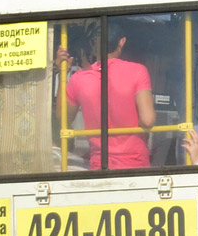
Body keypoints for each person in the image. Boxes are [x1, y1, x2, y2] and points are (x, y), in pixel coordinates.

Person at [58, 21, 155, 169]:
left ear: (94, 45)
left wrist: (62, 72)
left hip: (100, 165)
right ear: (122, 42)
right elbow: (147, 121)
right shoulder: (138, 71)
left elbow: (63, 118)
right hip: (136, 164)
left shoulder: (79, 78)